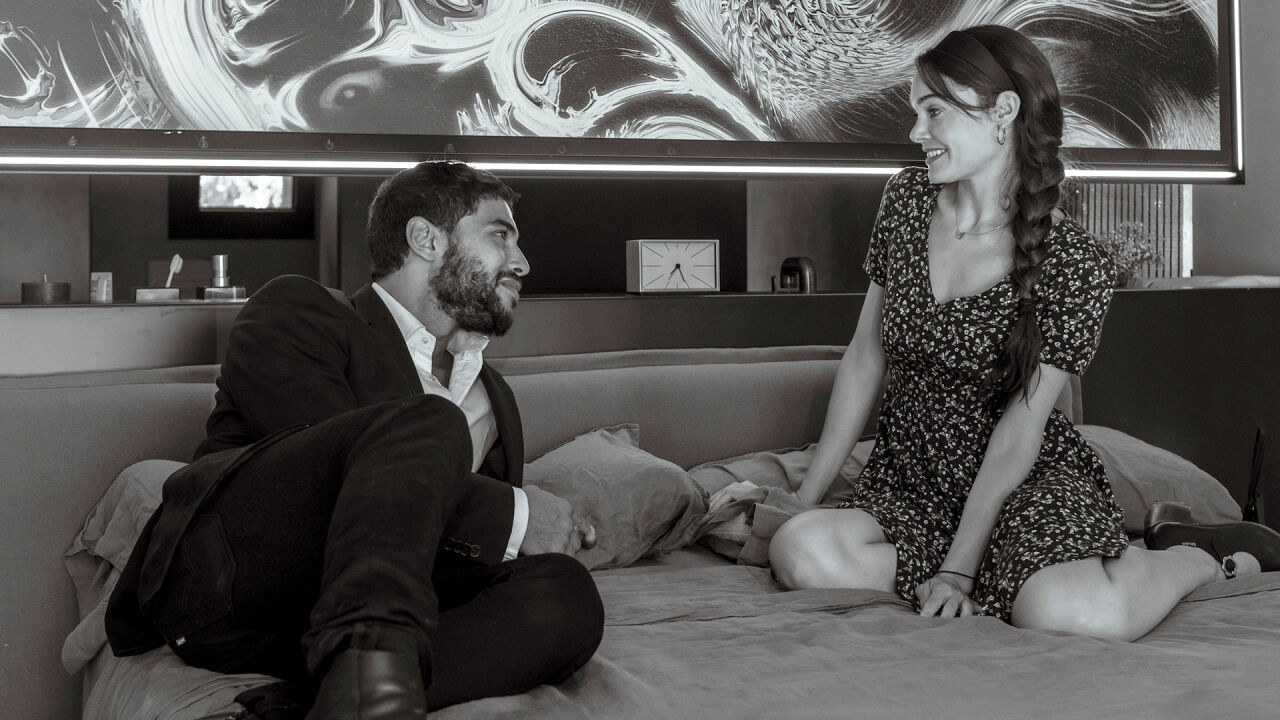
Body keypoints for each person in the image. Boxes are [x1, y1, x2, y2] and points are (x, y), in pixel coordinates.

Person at [767, 25, 1280, 640]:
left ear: (1002, 112)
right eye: (915, 113)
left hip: (1022, 484)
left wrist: (957, 571)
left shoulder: (1076, 262)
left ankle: (1194, 555)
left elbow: (1021, 427)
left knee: (1073, 614)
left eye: (934, 111)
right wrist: (804, 500)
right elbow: (864, 358)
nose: (915, 132)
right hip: (912, 481)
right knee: (800, 550)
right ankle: (1007, 583)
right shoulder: (905, 201)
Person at [106, 160, 605, 718]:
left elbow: (453, 547)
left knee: (566, 592)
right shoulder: (299, 311)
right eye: (500, 235)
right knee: (427, 421)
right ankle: (369, 674)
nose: (522, 262)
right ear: (426, 239)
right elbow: (339, 473)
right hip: (240, 595)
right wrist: (518, 514)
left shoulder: (495, 397)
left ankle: (331, 699)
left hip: (347, 624)